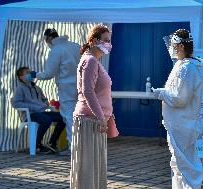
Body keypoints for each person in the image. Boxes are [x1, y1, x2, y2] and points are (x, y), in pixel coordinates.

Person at [152, 29, 203, 189]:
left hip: (183, 124)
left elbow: (180, 98)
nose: (171, 48)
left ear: (180, 46)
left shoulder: (188, 68)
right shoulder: (183, 65)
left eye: (173, 45)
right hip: (179, 124)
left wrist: (160, 93)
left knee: (186, 166)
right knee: (179, 164)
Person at [71, 24, 113, 189]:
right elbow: (87, 92)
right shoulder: (90, 61)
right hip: (90, 120)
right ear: (95, 41)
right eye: (106, 40)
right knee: (88, 168)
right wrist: (102, 118)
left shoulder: (93, 60)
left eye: (110, 41)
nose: (109, 44)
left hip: (93, 120)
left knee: (92, 166)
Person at [30, 29, 81, 155]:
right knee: (80, 116)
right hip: (81, 85)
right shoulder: (75, 46)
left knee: (69, 117)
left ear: (48, 38)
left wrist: (35, 74)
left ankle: (73, 149)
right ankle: (81, 146)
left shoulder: (56, 50)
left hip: (66, 87)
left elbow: (48, 74)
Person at [11, 67, 66, 154]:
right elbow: (16, 103)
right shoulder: (20, 88)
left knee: (64, 117)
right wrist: (34, 107)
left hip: (41, 113)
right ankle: (37, 145)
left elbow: (44, 100)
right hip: (30, 115)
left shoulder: (36, 88)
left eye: (30, 72)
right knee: (46, 120)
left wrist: (45, 104)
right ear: (21, 77)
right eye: (27, 72)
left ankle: (52, 143)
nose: (31, 73)